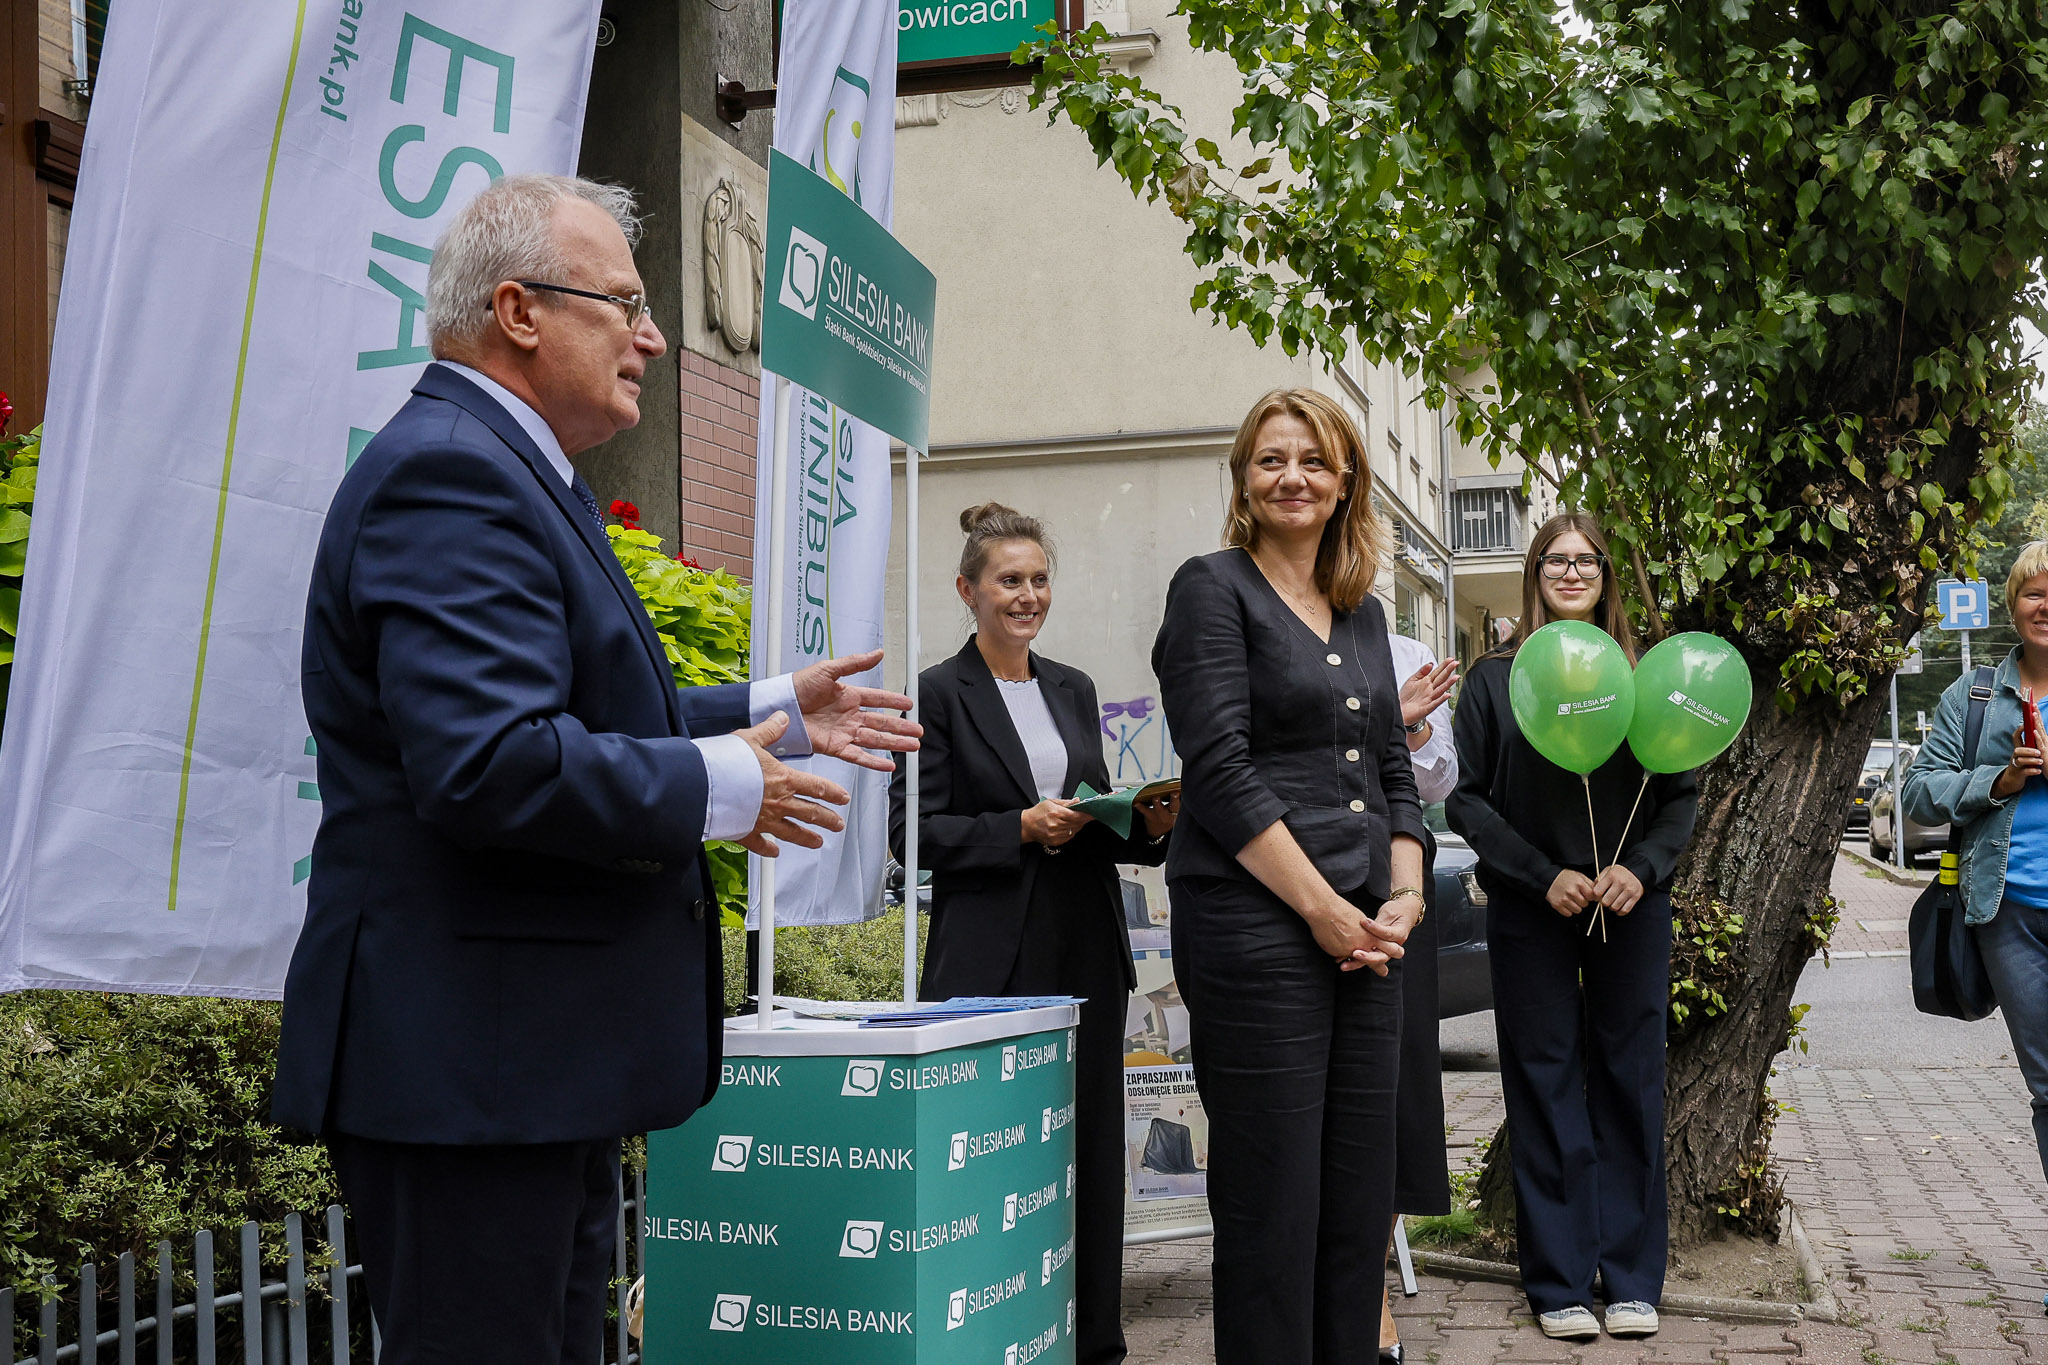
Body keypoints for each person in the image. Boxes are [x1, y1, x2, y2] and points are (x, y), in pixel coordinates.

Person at [271, 174, 920, 1365]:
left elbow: (572, 710)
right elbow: (488, 764)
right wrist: (726, 786)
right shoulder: (453, 476)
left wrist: (771, 711)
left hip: (513, 1068)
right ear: (519, 311)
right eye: (622, 302)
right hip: (471, 1072)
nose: (655, 336)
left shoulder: (502, 466)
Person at [1152, 387, 1426, 1363]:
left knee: (1356, 1209)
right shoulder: (1209, 589)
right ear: (1243, 478)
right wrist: (1321, 910)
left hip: (1363, 939)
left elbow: (1393, 771)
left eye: (1311, 459)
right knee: (1273, 1217)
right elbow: (1216, 775)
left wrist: (1401, 898)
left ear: (1344, 476)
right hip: (1257, 932)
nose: (1291, 476)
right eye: (1269, 459)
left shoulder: (1362, 613)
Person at [888, 502, 1174, 1365]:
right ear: (969, 590)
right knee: (992, 1157)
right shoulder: (936, 692)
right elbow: (913, 831)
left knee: (1089, 1152)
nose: (1027, 595)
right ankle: (992, 1334)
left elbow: (1089, 808)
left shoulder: (1073, 687)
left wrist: (1148, 821)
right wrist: (1016, 827)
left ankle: (1096, 1340)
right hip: (989, 954)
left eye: (1039, 579)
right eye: (1009, 581)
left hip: (1085, 940)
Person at [1445, 511, 1697, 1343]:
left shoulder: (1648, 678)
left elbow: (1679, 797)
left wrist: (1642, 869)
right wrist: (1538, 873)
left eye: (1587, 559)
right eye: (1556, 558)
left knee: (1630, 1084)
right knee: (1545, 1085)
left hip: (1631, 906)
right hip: (1533, 909)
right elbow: (1467, 799)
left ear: (1606, 575)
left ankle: (1630, 1278)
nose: (1572, 571)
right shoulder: (1494, 681)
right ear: (1535, 572)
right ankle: (1557, 1281)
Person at [1903, 539, 2048, 1313]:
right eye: (2034, 593)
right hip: (2009, 913)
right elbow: (1915, 794)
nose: (2046, 605)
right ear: (2014, 606)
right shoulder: (1978, 695)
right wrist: (1997, 778)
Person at [1381, 636, 1458, 1364]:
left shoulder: (1407, 648)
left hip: (1400, 870)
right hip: (1300, 866)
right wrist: (1386, 715)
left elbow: (1438, 784)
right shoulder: (1253, 619)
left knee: (1399, 1078)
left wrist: (1413, 725)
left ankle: (1368, 1285)